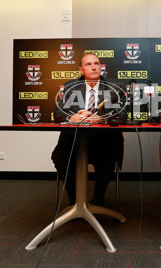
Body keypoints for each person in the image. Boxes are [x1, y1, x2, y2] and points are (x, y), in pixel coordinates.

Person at [52, 53, 126, 206]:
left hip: (103, 138)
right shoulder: (70, 87)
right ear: (81, 70)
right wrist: (72, 117)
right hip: (74, 138)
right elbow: (58, 113)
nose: (93, 67)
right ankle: (76, 201)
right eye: (88, 64)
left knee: (108, 157)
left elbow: (122, 114)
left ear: (101, 67)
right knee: (60, 156)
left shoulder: (115, 87)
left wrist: (101, 118)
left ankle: (98, 199)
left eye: (96, 64)